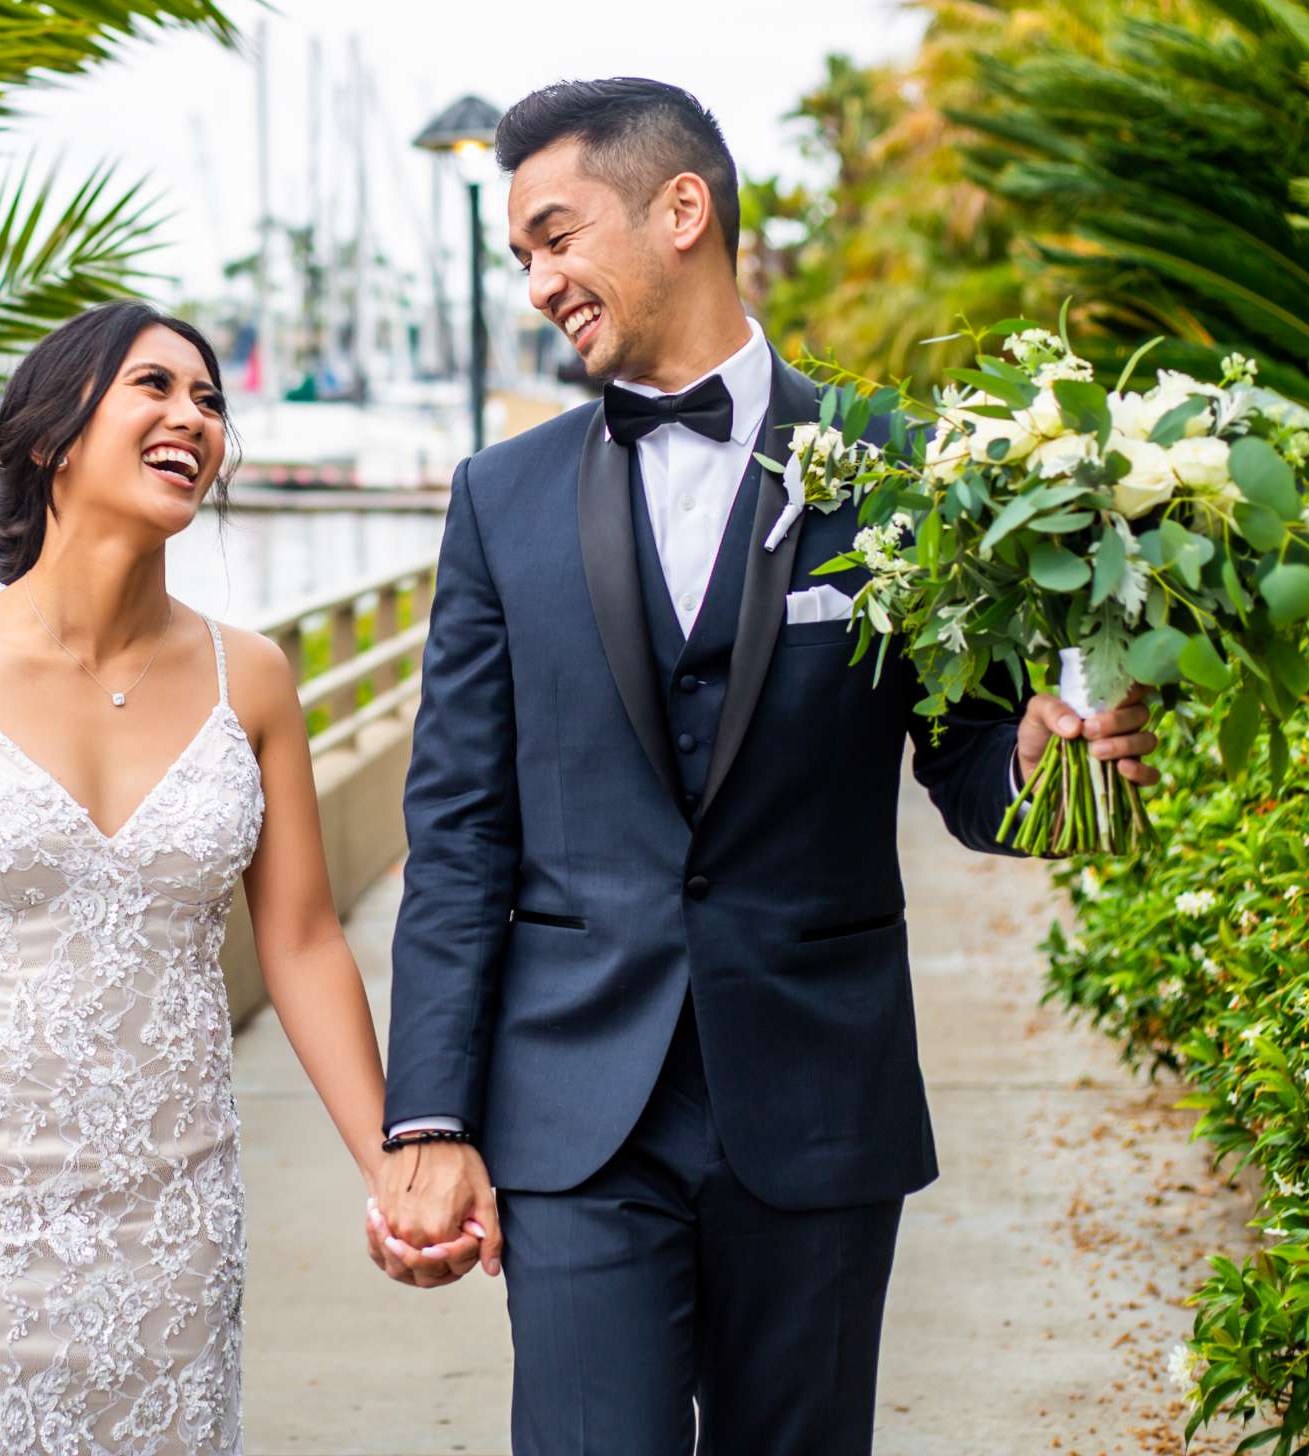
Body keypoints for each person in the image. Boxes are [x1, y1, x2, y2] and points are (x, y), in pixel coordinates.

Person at [368, 78, 1163, 1454]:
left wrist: (1048, 758)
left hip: (815, 1100)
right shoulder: (498, 500)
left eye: (558, 236)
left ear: (684, 208)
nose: (541, 281)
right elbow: (457, 833)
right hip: (571, 1120)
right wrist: (428, 1115)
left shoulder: (907, 474)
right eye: (522, 258)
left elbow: (970, 768)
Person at [0, 302, 393, 1455]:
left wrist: (386, 1160)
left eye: (208, 399)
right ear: (55, 436)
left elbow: (303, 942)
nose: (192, 417)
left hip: (171, 1220)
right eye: (153, 386)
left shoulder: (249, 683)